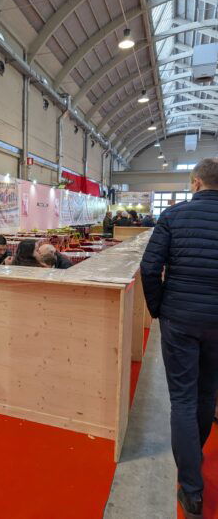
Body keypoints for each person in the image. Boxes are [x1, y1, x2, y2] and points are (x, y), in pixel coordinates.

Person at [140, 158, 218, 519]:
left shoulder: (173, 217)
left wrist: (159, 308)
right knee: (206, 392)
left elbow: (150, 267)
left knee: (183, 399)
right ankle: (193, 454)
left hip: (180, 319)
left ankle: (192, 489)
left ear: (196, 182)